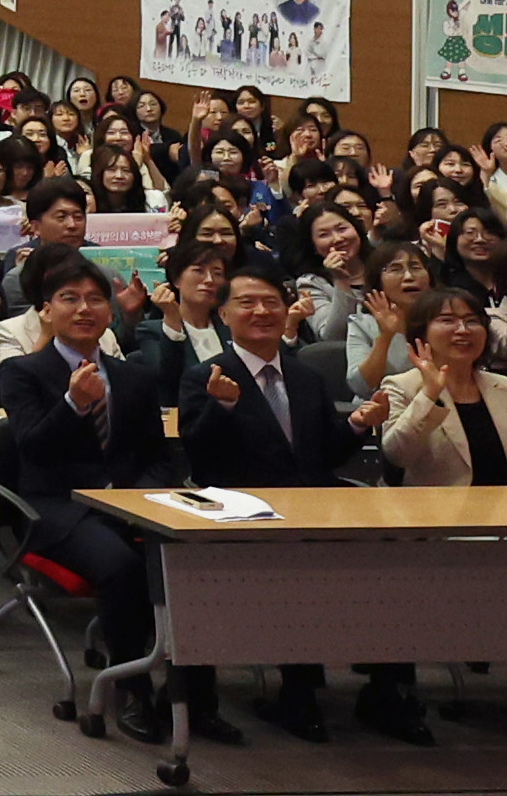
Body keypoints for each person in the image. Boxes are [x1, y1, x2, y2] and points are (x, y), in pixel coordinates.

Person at [0, 254, 206, 744]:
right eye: (70, 299)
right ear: (46, 311)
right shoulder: (24, 373)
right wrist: (73, 405)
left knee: (187, 557)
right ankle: (132, 686)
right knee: (122, 567)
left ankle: (196, 689)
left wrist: (134, 495)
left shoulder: (133, 376)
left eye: (94, 299)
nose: (84, 309)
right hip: (54, 506)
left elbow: (158, 454)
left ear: (110, 312)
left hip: (127, 503)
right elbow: (32, 448)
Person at [365, 289, 507, 754]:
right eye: (447, 321)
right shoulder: (401, 385)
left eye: (472, 320)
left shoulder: (504, 388)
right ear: (422, 335)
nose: (463, 329)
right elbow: (395, 453)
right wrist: (430, 392)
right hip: (435, 535)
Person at [173, 265, 361, 743]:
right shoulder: (205, 376)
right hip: (239, 517)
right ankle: (200, 702)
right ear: (224, 315)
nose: (261, 311)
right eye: (247, 303)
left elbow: (324, 456)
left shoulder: (305, 375)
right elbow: (198, 455)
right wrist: (223, 408)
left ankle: (318, 694)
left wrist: (359, 426)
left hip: (309, 515)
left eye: (272, 302)